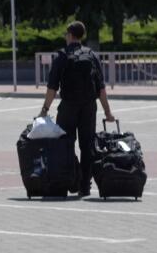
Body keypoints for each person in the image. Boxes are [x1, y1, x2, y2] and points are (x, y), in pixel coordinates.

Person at [40, 21, 115, 196]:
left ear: (70, 35)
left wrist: (44, 110)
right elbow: (101, 88)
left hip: (68, 107)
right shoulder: (91, 55)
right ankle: (84, 186)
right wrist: (108, 112)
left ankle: (66, 181)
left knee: (64, 144)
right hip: (89, 107)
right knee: (87, 145)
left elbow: (52, 87)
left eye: (66, 34)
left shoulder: (62, 56)